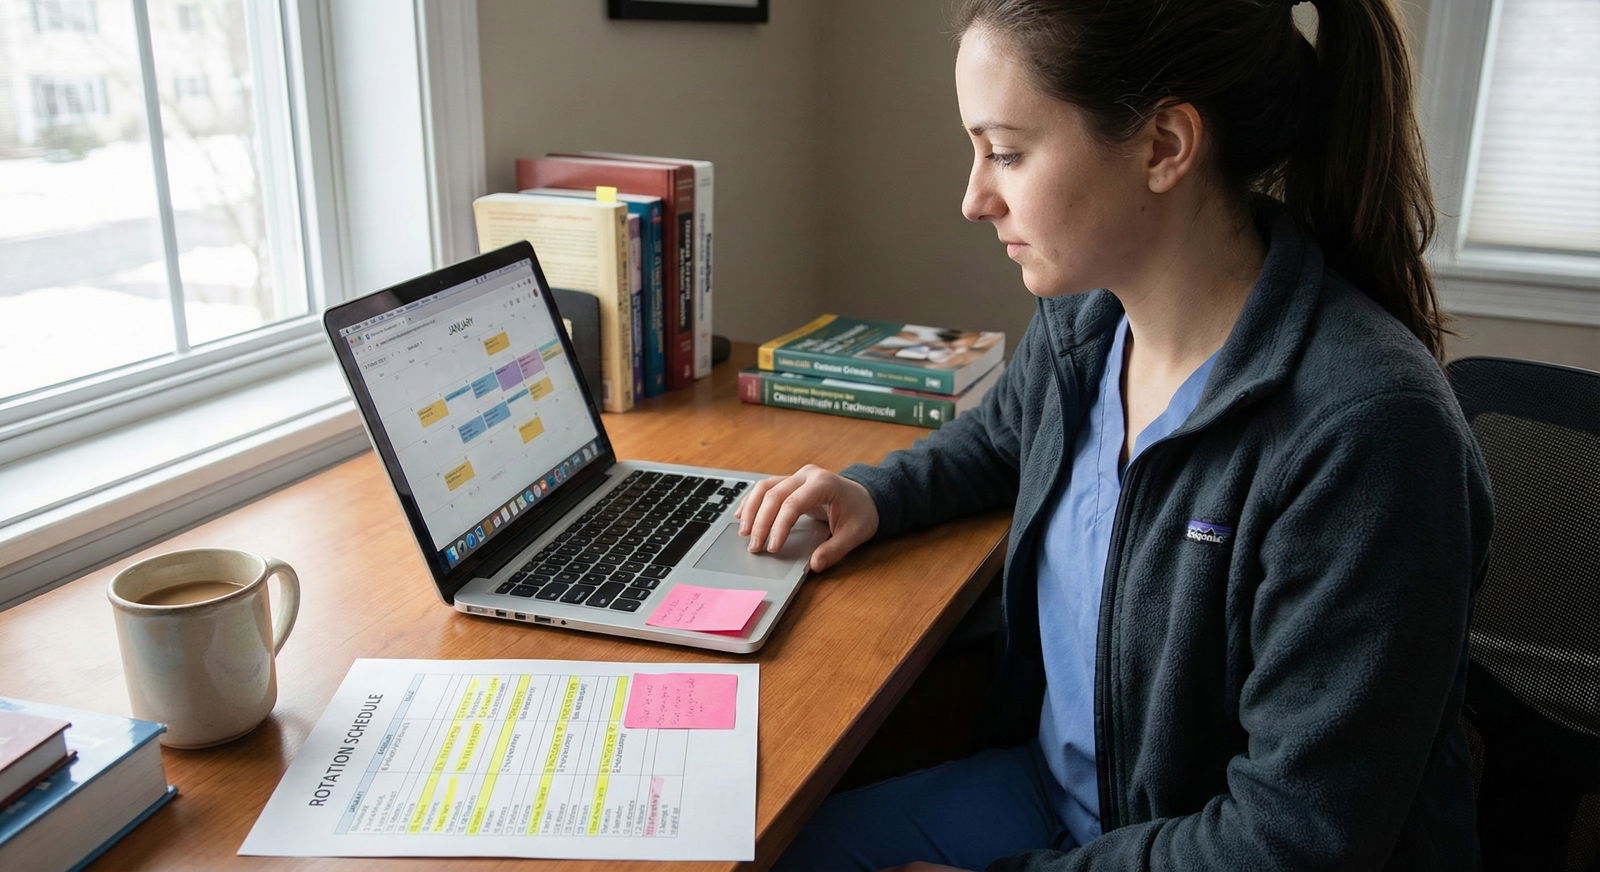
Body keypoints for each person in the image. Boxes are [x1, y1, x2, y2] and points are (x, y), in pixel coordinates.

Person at [740, 0, 1493, 869]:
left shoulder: (1368, 435)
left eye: (1007, 152)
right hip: (1053, 796)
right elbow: (1001, 442)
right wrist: (875, 494)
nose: (974, 199)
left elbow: (1293, 837)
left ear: (1164, 146)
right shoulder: (1090, 321)